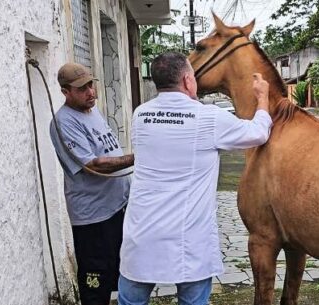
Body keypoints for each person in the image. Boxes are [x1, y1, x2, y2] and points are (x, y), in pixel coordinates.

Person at [117, 52, 273, 305]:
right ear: (188, 81)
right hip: (188, 240)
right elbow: (258, 133)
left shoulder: (140, 115)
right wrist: (263, 97)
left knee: (131, 300)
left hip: (142, 236)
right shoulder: (208, 117)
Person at [50, 62, 134, 305]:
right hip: (93, 219)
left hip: (115, 209)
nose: (91, 92)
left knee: (117, 276)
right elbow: (93, 165)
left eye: (91, 85)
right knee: (95, 282)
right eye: (82, 89)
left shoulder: (91, 111)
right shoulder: (63, 122)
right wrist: (137, 158)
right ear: (66, 92)